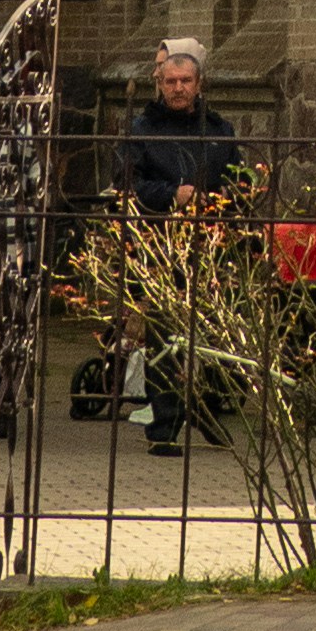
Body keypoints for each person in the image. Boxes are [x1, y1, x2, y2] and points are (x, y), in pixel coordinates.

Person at [114, 39, 236, 456]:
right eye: (171, 81)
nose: (178, 88)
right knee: (165, 337)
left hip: (211, 243)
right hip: (161, 243)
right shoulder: (143, 130)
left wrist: (226, 200)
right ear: (160, 84)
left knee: (214, 335)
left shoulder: (219, 130)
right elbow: (127, 186)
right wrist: (173, 195)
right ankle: (164, 426)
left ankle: (204, 408)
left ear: (199, 84)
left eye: (186, 81)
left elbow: (237, 181)